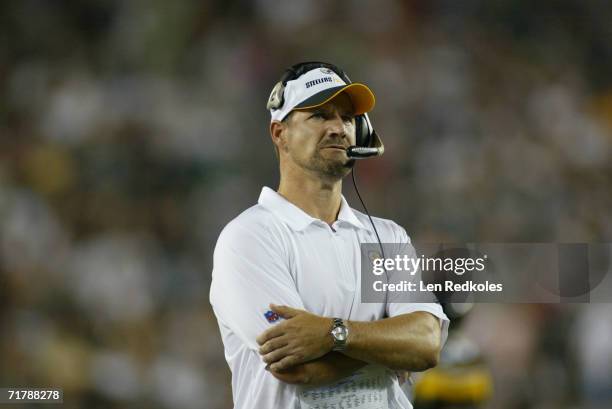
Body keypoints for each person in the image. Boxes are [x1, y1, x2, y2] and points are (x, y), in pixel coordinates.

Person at [210, 62, 449, 409]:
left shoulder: (387, 235)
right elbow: (301, 368)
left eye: (348, 118)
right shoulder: (249, 238)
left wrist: (333, 333)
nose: (338, 128)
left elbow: (426, 344)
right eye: (320, 116)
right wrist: (389, 344)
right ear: (279, 134)